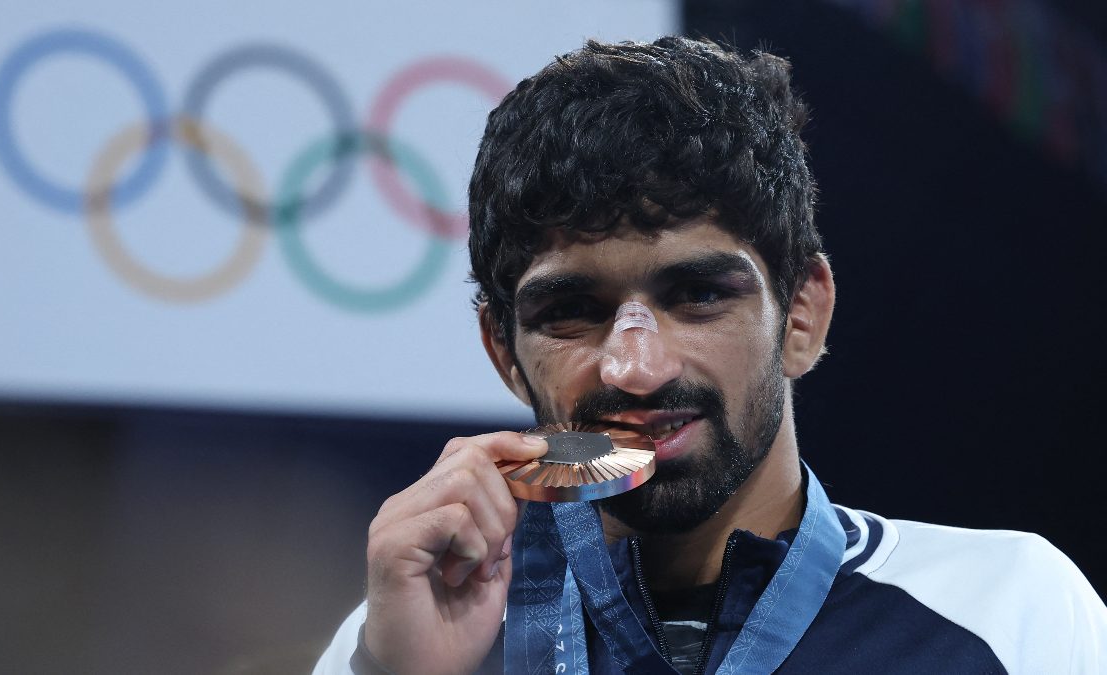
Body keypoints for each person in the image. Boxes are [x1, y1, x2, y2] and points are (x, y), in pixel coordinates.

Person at [314, 36, 1106, 674]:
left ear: (801, 314)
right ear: (503, 349)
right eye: (572, 312)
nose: (636, 368)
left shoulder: (1009, 613)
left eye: (696, 295)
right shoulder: (404, 637)